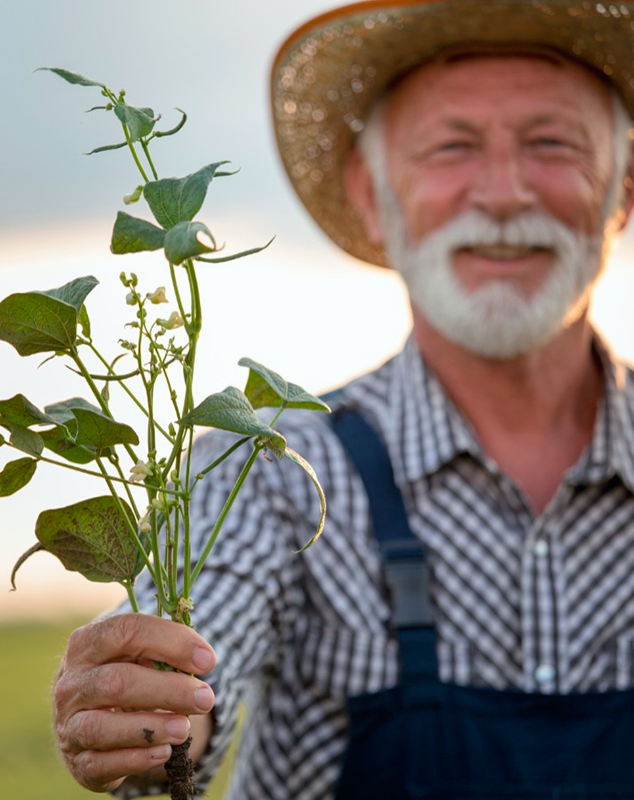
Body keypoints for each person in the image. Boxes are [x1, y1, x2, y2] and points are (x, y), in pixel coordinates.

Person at [50, 1, 634, 798]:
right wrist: (145, 710)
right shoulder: (269, 460)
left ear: (624, 188)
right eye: (453, 147)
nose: (503, 193)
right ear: (372, 195)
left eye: (552, 144)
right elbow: (184, 696)